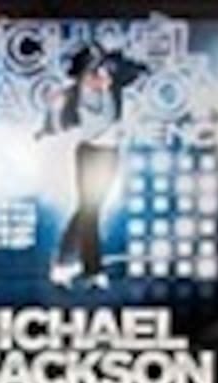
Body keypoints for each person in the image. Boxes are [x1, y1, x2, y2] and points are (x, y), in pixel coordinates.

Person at [39, 44, 148, 289]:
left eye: (97, 71)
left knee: (88, 210)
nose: (96, 76)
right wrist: (53, 114)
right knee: (90, 212)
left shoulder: (109, 83)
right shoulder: (78, 95)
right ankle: (92, 270)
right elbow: (92, 122)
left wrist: (122, 68)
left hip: (110, 154)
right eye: (90, 73)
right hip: (91, 154)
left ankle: (64, 263)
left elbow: (134, 72)